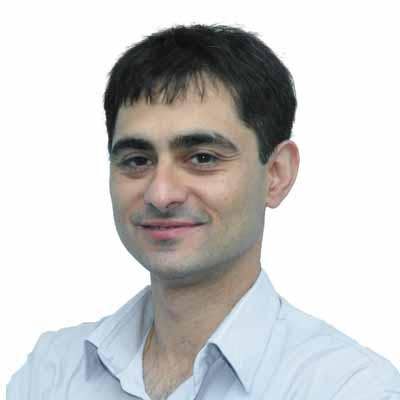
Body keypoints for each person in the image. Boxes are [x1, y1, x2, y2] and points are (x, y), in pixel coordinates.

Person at [7, 24, 400, 400]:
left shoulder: (348, 389)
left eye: (202, 158)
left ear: (276, 174)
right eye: (137, 160)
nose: (161, 194)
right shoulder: (52, 373)